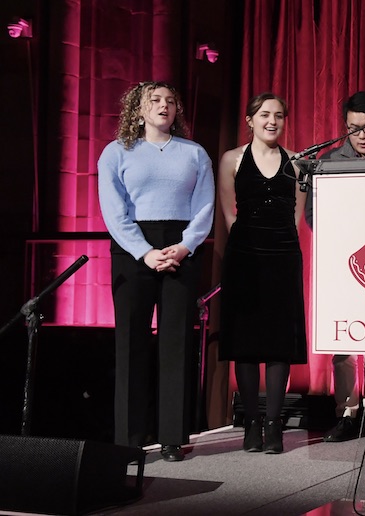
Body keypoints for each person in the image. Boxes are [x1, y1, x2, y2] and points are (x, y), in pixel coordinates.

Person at [98, 81, 215, 462]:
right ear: (139, 108)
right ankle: (129, 440)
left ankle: (171, 437)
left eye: (170, 101)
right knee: (131, 342)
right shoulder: (117, 152)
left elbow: (204, 207)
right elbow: (113, 210)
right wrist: (144, 252)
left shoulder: (194, 153)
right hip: (134, 248)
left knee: (176, 342)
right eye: (155, 100)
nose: (164, 106)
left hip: (181, 246)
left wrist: (185, 245)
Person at [305, 91, 365, 444]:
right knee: (343, 341)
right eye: (353, 128)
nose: (361, 135)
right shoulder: (328, 162)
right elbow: (312, 214)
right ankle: (347, 413)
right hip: (341, 263)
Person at [217, 93, 307, 454]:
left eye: (279, 115)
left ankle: (274, 425)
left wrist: (279, 247)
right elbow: (229, 213)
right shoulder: (232, 159)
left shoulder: (296, 163)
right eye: (265, 114)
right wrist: (249, 246)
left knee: (279, 341)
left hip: (283, 256)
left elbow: (296, 216)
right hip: (244, 256)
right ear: (250, 120)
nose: (273, 121)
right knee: (247, 341)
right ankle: (251, 423)